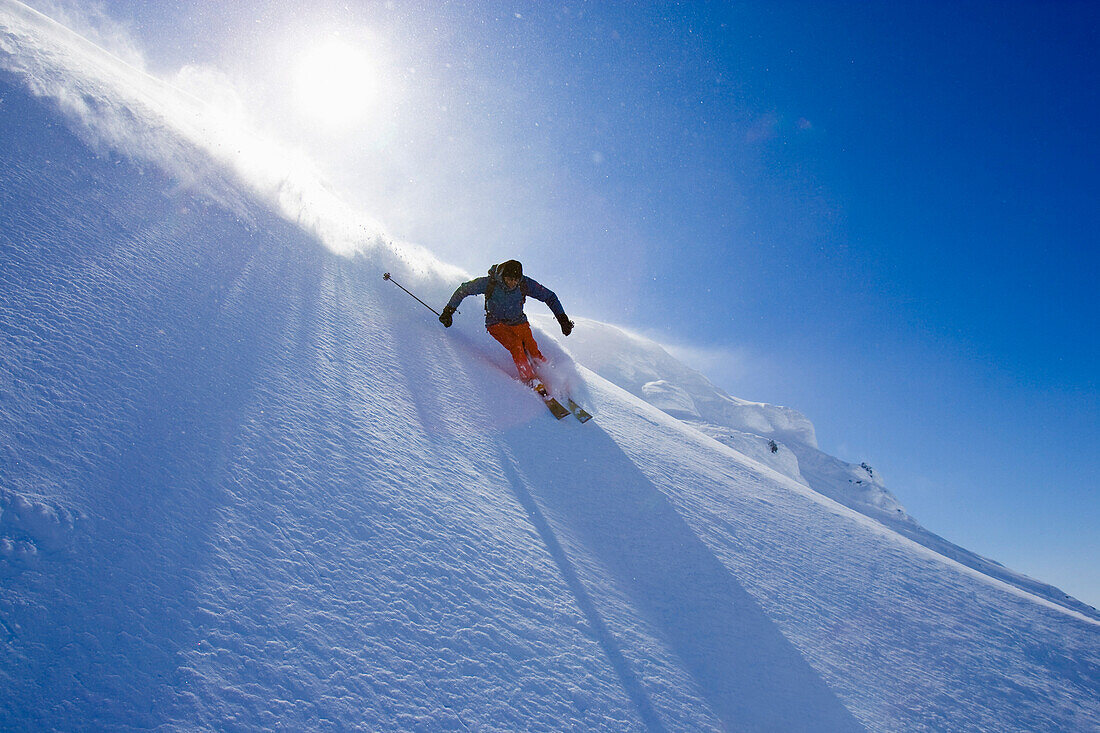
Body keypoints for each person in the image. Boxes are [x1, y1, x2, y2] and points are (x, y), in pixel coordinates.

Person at [439, 260, 574, 384]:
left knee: (532, 349)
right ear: (502, 275)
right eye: (509, 279)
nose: (513, 283)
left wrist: (563, 320)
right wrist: (448, 311)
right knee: (516, 346)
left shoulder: (524, 283)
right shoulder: (489, 283)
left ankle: (549, 376)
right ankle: (530, 380)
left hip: (519, 322)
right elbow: (464, 289)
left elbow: (550, 296)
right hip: (496, 324)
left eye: (516, 280)